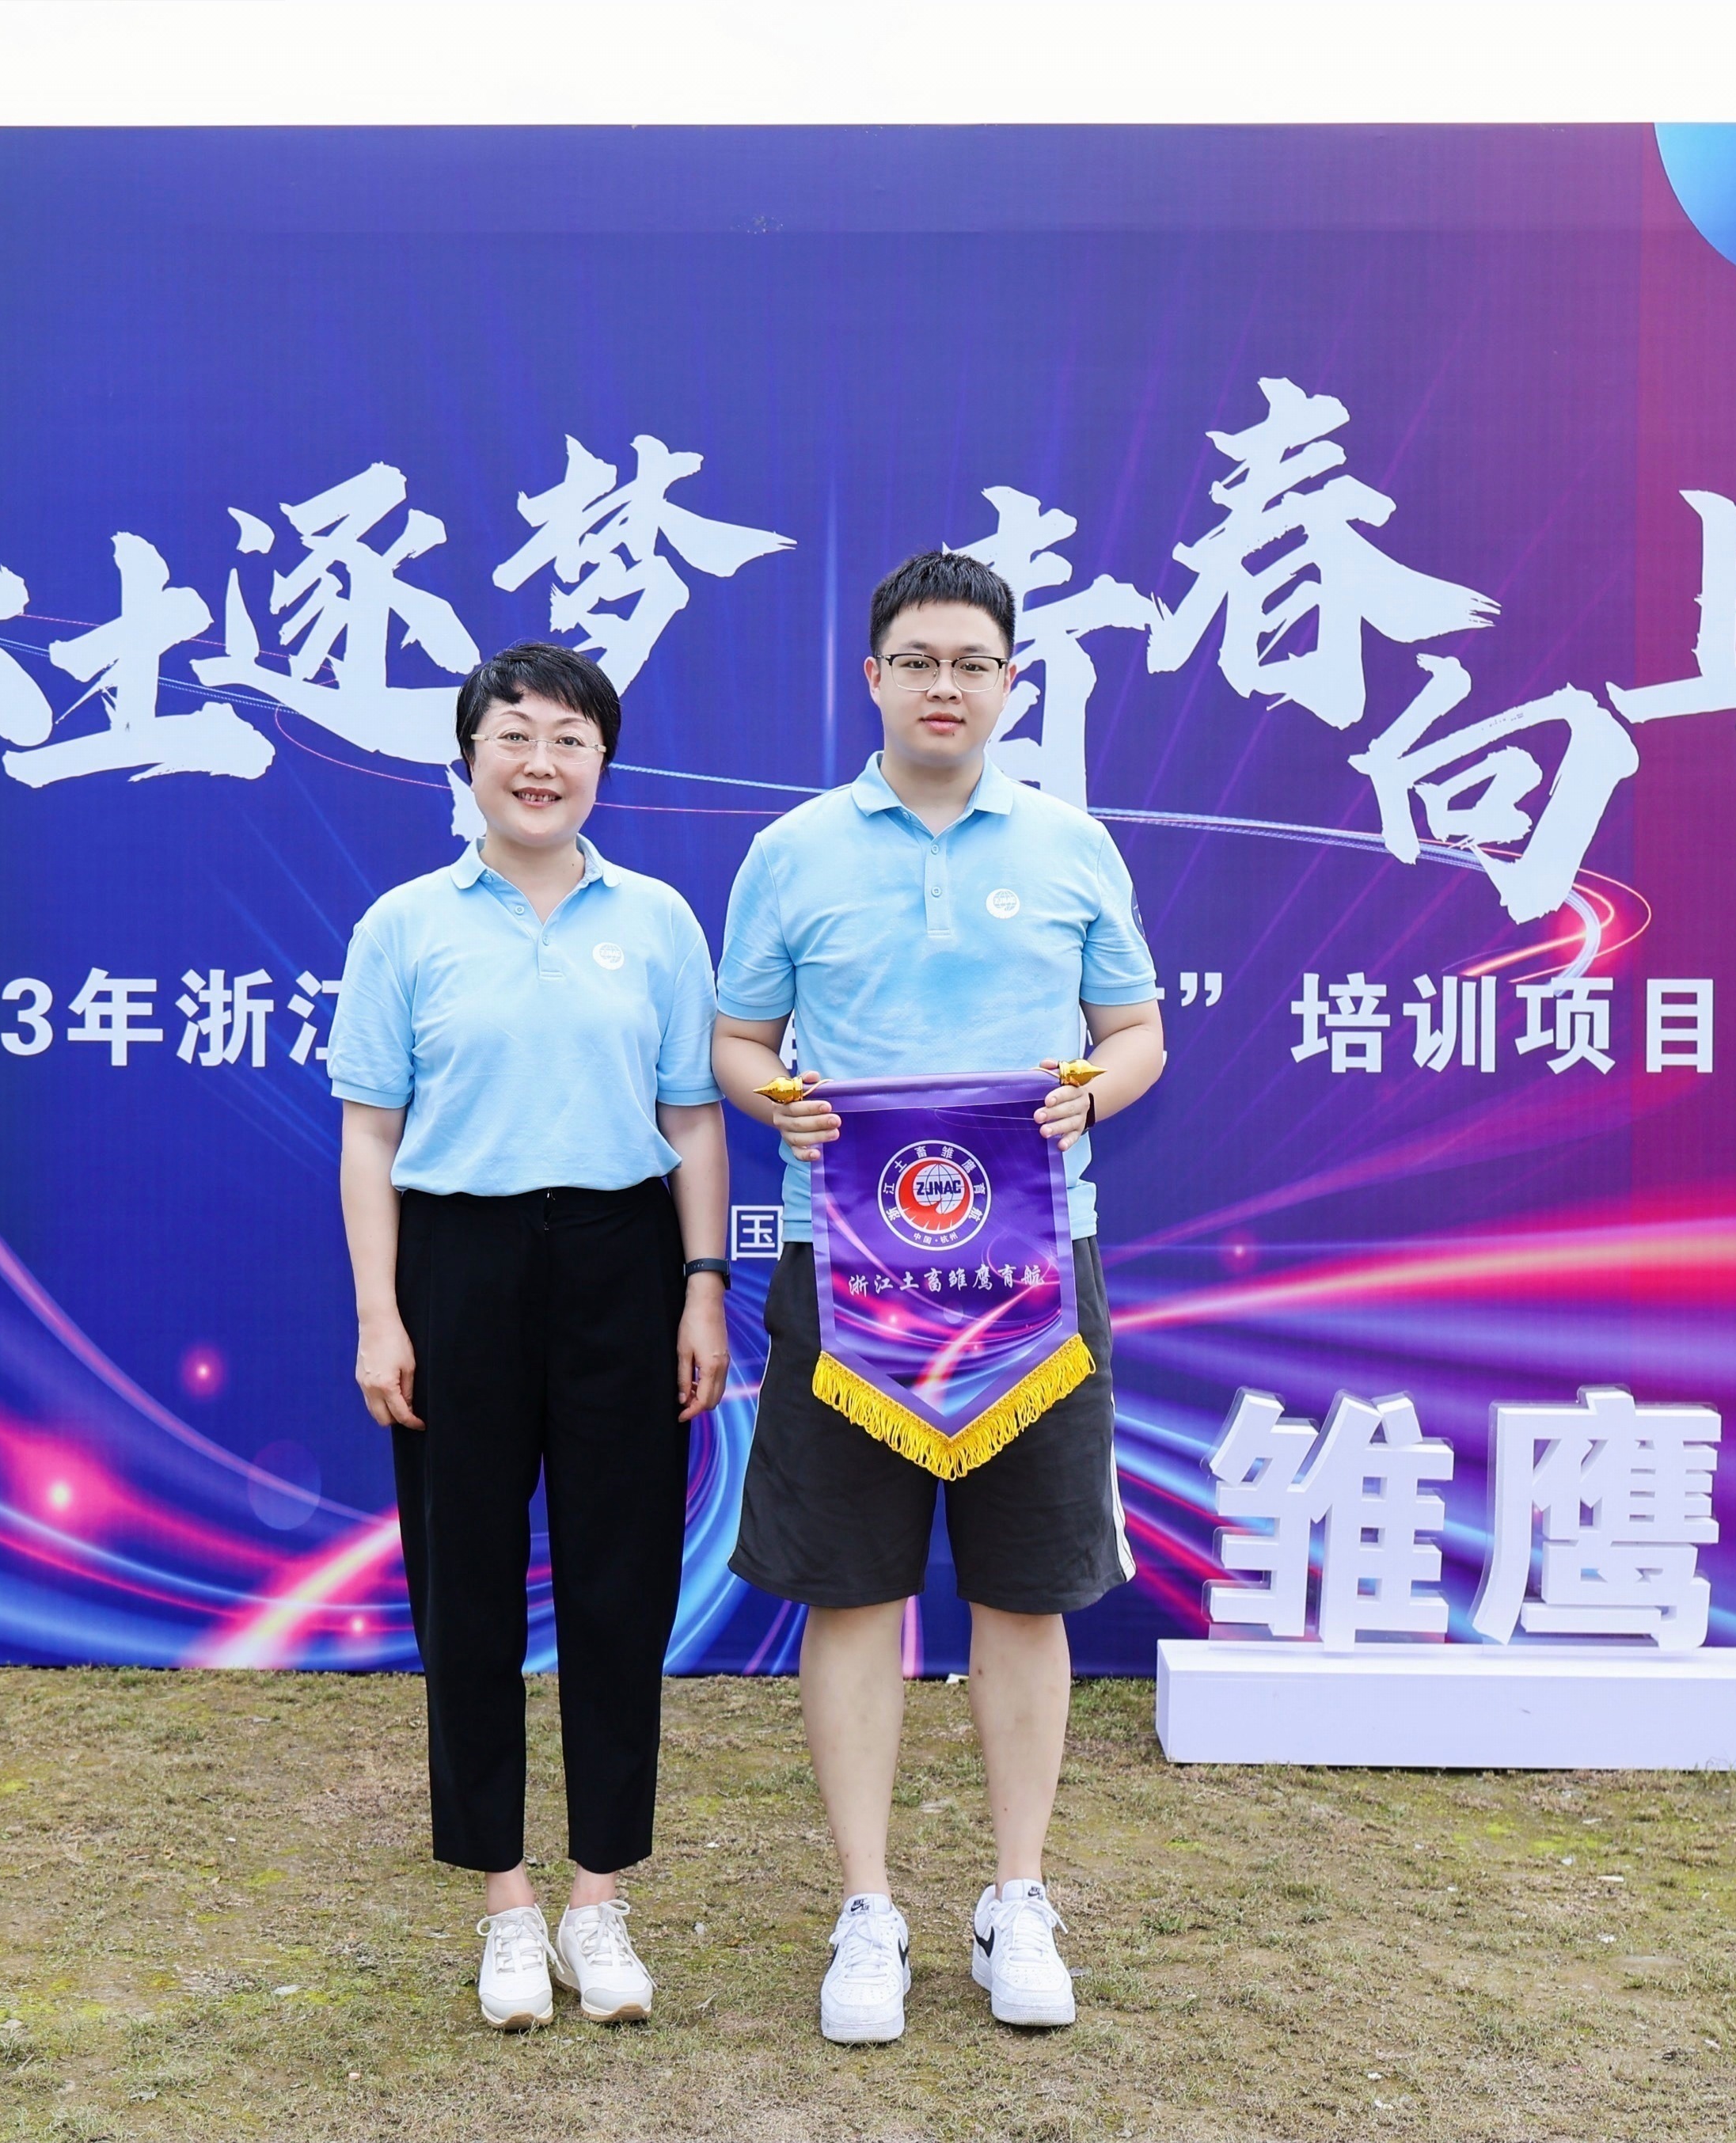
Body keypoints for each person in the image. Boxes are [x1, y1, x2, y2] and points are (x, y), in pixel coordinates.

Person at [711, 552, 1164, 2042]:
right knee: (854, 1587)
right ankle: (868, 1908)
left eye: (974, 662)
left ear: (1010, 682)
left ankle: (1016, 1896)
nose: (946, 686)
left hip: (1033, 1277)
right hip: (847, 1280)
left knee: (1027, 1589)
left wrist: (1093, 1093)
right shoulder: (793, 852)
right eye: (918, 661)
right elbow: (736, 1041)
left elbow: (1137, 1032)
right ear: (874, 679)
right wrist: (780, 1100)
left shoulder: (1072, 844)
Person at [329, 641, 732, 2031]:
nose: (540, 763)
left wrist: (701, 1285)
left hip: (624, 1260)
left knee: (623, 1581)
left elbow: (693, 1118)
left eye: (570, 739)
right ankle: (504, 1904)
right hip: (458, 1264)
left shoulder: (658, 922)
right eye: (514, 735)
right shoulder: (405, 927)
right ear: (469, 758)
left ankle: (598, 1898)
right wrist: (381, 1313)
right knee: (467, 1586)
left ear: (603, 765)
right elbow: (370, 1134)